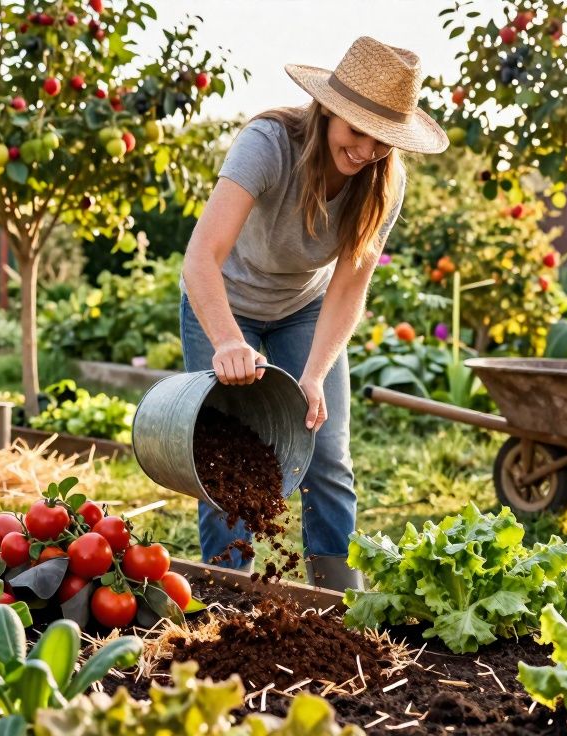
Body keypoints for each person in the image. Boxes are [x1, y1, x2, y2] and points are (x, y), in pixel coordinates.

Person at [180, 36, 449, 590]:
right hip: (223, 300)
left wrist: (315, 374)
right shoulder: (268, 144)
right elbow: (200, 258)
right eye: (356, 132)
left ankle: (335, 604)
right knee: (222, 451)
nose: (366, 151)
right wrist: (229, 341)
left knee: (325, 450)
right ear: (329, 111)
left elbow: (349, 288)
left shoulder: (382, 182)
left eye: (382, 141)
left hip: (304, 308)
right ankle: (229, 592)